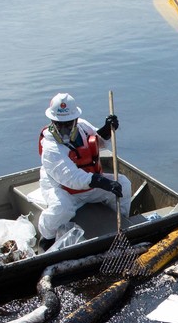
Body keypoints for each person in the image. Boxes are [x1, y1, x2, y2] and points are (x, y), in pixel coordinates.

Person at [36, 92, 130, 243]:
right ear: (52, 121)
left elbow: (96, 143)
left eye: (67, 124)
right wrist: (102, 182)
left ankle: (121, 222)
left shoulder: (83, 127)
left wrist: (106, 130)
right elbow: (71, 178)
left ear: (75, 120)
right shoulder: (50, 147)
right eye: (59, 124)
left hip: (89, 184)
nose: (63, 129)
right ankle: (47, 237)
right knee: (62, 209)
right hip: (63, 189)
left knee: (123, 185)